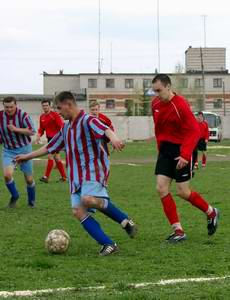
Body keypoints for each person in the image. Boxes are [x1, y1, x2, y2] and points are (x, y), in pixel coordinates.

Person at [16, 91, 137, 256]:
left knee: (87, 199)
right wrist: (26, 156)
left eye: (59, 108)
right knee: (78, 211)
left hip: (94, 169)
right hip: (75, 175)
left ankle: (124, 219)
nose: (58, 112)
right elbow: (50, 147)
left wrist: (114, 139)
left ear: (69, 104)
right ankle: (109, 243)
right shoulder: (66, 127)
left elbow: (105, 129)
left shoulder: (88, 120)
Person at [151, 74, 219, 243]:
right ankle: (178, 231)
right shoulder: (156, 104)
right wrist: (160, 148)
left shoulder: (180, 105)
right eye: (154, 91)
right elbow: (159, 129)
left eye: (159, 90)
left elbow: (194, 131)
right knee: (161, 188)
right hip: (166, 151)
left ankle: (211, 212)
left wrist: (185, 155)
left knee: (183, 192)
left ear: (168, 87)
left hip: (182, 150)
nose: (157, 94)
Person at [0, 97, 36, 208]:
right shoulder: (0, 116)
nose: (9, 109)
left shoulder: (23, 115)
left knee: (29, 179)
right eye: (6, 107)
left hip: (25, 150)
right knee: (7, 175)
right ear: (3, 106)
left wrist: (16, 129)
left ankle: (31, 202)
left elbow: (32, 131)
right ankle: (15, 196)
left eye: (11, 107)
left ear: (16, 105)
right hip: (8, 150)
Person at [36, 100, 67, 183]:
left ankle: (46, 177)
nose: (45, 107)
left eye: (46, 105)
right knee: (56, 158)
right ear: (42, 106)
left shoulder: (55, 115)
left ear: (49, 106)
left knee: (50, 156)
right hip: (49, 139)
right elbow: (41, 129)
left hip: (56, 139)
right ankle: (64, 177)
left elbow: (61, 126)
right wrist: (38, 135)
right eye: (44, 105)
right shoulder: (42, 117)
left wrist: (62, 138)